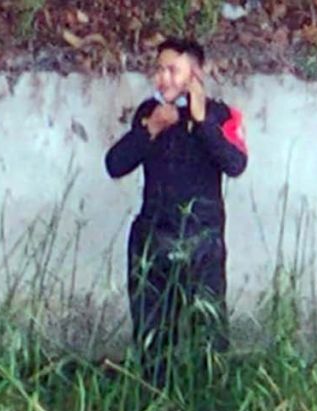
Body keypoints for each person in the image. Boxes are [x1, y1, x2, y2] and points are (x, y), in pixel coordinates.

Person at [105, 37, 248, 386]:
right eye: (159, 69)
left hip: (202, 242)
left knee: (209, 332)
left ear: (195, 73)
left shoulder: (221, 115)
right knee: (154, 335)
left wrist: (201, 122)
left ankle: (210, 407)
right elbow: (115, 164)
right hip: (153, 240)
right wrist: (151, 129)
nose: (163, 78)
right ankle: (156, 405)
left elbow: (235, 163)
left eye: (173, 70)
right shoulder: (148, 113)